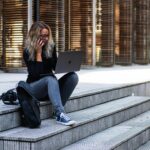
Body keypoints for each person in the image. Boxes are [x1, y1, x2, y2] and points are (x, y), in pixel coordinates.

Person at [23, 21, 79, 126]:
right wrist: (38, 53)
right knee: (50, 79)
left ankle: (57, 110)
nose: (45, 38)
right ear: (34, 35)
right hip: (34, 89)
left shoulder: (50, 47)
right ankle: (60, 114)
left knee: (73, 76)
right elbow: (36, 73)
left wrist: (66, 64)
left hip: (50, 86)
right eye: (42, 35)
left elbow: (54, 67)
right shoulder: (27, 51)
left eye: (47, 35)